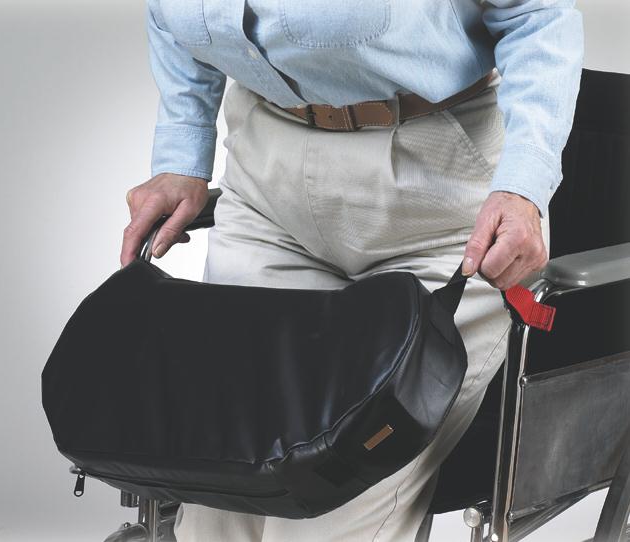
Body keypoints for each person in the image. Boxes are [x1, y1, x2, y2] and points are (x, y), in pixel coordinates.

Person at [119, 1, 583, 540]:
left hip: (438, 202)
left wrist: (524, 183)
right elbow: (169, 17)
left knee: (331, 505)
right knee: (223, 499)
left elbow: (535, 13)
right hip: (270, 192)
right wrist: (181, 152)